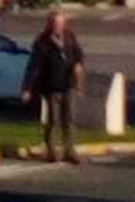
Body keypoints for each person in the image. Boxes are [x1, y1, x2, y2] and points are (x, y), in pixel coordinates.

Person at [22, 9, 87, 163]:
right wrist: (27, 88)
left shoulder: (69, 37)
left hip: (68, 84)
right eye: (54, 23)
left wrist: (78, 64)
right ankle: (51, 150)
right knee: (53, 119)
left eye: (60, 23)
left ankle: (69, 150)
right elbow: (34, 66)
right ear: (49, 24)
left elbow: (78, 53)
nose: (57, 26)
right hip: (51, 87)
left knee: (70, 118)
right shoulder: (42, 41)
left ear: (64, 24)